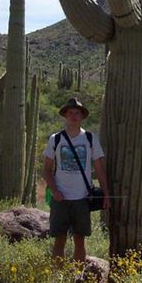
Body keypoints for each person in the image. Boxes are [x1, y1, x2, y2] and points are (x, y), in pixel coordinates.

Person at [43, 97, 110, 264]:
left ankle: (78, 276)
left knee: (80, 239)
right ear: (65, 115)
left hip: (82, 197)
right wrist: (54, 191)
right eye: (70, 113)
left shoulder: (89, 138)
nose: (74, 116)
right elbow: (46, 170)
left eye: (77, 113)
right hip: (61, 198)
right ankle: (59, 277)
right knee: (59, 240)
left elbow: (99, 169)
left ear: (82, 116)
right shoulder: (55, 139)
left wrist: (106, 194)